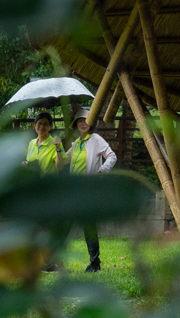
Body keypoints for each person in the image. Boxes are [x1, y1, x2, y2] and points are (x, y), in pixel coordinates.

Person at [68, 107, 117, 272]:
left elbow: (112, 156)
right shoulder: (77, 143)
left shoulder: (96, 139)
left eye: (86, 120)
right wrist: (58, 147)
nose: (83, 123)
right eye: (80, 120)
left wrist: (101, 171)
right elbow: (62, 160)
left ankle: (95, 263)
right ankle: (52, 262)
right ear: (76, 124)